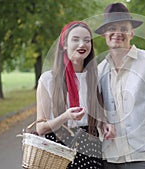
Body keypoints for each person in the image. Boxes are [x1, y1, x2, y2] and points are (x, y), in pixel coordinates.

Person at [96, 3, 145, 169]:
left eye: (124, 28)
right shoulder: (99, 70)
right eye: (112, 28)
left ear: (132, 32)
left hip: (144, 159)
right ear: (104, 33)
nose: (118, 33)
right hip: (110, 158)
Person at [36, 21, 104, 169]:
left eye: (87, 40)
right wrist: (65, 116)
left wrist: (106, 124)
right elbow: (40, 128)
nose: (82, 44)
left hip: (91, 149)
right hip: (58, 150)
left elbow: (97, 119)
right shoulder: (48, 80)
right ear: (64, 44)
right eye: (75, 39)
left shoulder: (94, 78)